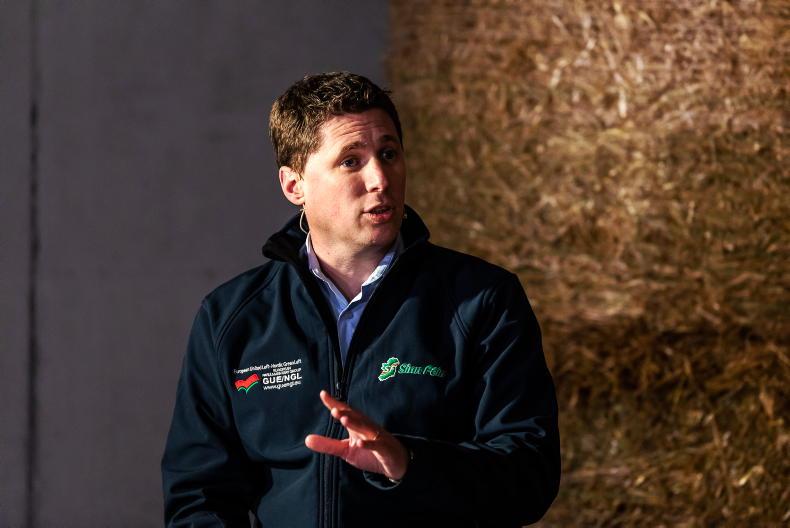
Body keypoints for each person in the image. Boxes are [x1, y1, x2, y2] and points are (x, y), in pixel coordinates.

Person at [161, 72, 560, 527]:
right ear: (294, 186)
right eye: (351, 161)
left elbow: (530, 475)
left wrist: (408, 463)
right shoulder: (232, 317)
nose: (380, 179)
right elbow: (199, 496)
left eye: (388, 154)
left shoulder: (482, 300)